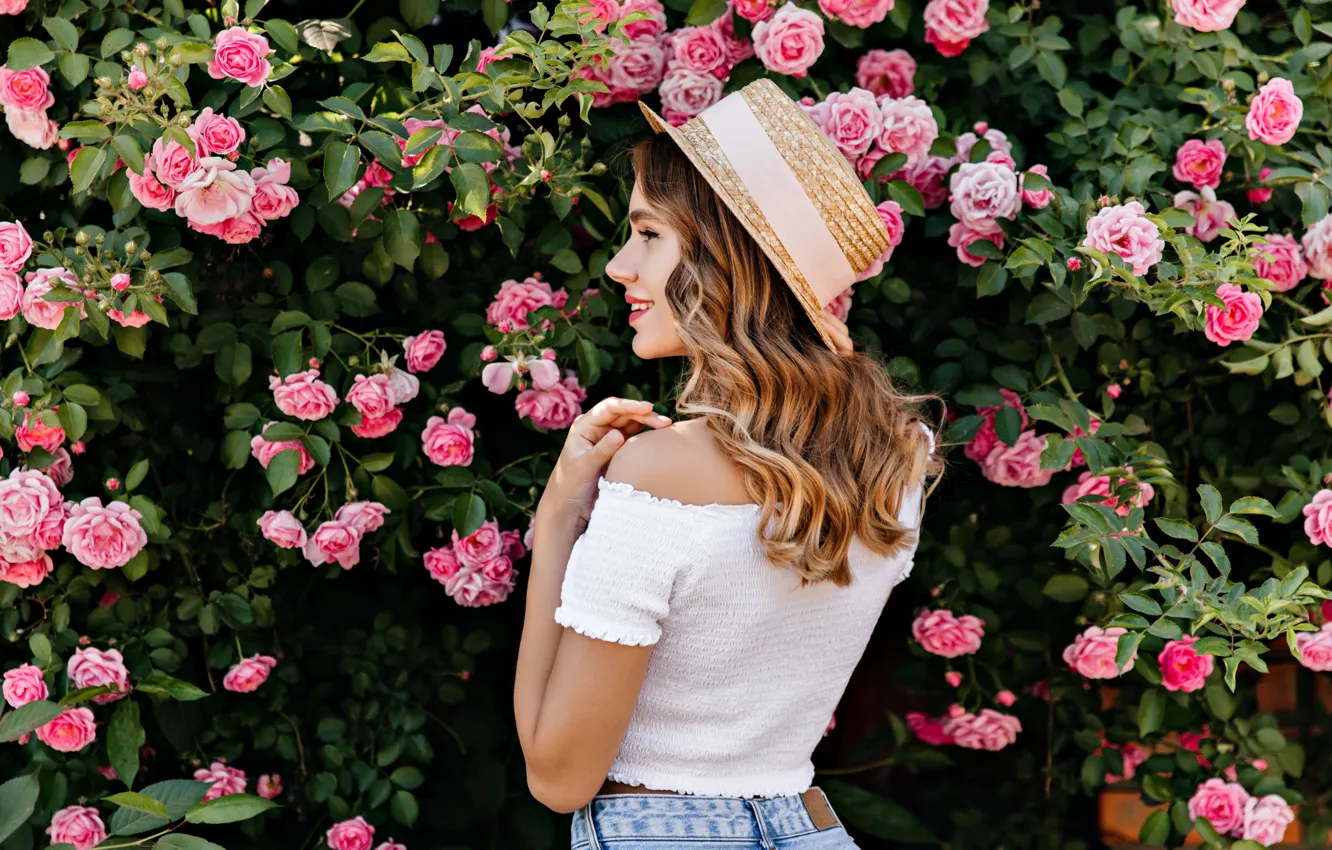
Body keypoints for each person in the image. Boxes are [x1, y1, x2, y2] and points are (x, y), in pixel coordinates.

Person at [513, 78, 940, 849]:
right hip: (810, 829)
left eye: (647, 235)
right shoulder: (899, 460)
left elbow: (556, 776)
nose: (619, 266)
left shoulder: (655, 474)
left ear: (723, 260)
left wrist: (557, 514)